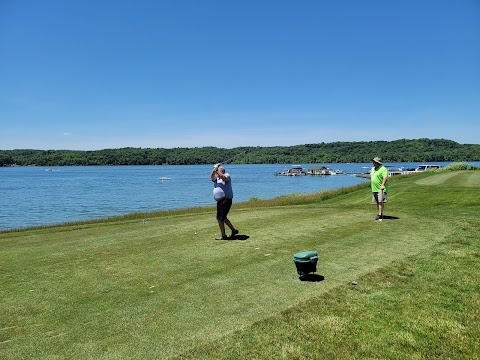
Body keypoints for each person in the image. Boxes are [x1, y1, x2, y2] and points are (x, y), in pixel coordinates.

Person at [211, 162, 239, 240]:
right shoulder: (216, 178)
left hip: (226, 200)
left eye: (218, 171)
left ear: (221, 171)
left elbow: (223, 177)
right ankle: (233, 230)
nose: (216, 173)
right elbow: (212, 177)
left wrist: (217, 169)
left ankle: (223, 235)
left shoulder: (227, 175)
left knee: (220, 218)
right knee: (222, 217)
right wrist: (214, 169)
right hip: (220, 201)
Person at [370, 157, 389, 221]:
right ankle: (379, 213)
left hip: (380, 188)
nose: (373, 163)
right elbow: (372, 176)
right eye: (373, 162)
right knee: (377, 202)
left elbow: (385, 177)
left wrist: (383, 185)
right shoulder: (373, 169)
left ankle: (380, 215)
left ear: (378, 163)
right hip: (374, 188)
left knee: (380, 201)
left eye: (374, 162)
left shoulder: (383, 169)